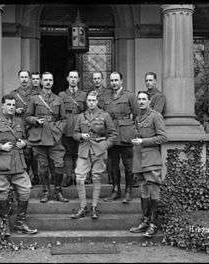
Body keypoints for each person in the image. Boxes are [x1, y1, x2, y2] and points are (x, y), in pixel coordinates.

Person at [0, 94, 38, 236]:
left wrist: (24, 144)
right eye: (8, 105)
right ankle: (4, 224)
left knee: (25, 191)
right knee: (3, 193)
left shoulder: (19, 122)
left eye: (13, 105)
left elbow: (25, 139)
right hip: (1, 164)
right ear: (2, 106)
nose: (11, 107)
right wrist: (0, 147)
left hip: (18, 164)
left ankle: (20, 223)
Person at [71, 91, 117, 219]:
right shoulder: (81, 116)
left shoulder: (105, 115)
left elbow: (113, 135)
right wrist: (81, 136)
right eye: (89, 100)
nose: (91, 102)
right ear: (86, 102)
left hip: (99, 150)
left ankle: (94, 207)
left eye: (93, 100)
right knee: (79, 178)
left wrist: (105, 145)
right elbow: (74, 134)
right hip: (84, 149)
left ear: (97, 101)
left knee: (96, 177)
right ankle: (83, 207)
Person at [26, 72, 69, 203]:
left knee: (59, 164)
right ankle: (45, 191)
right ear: (41, 82)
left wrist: (58, 129)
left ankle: (58, 191)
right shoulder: (34, 99)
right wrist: (35, 120)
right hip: (39, 136)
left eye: (50, 80)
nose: (48, 82)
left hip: (54, 137)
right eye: (45, 80)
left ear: (53, 82)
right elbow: (27, 116)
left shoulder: (58, 99)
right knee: (42, 166)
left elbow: (64, 119)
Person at [130, 91, 167, 237]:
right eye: (139, 99)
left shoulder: (155, 116)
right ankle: (145, 221)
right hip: (139, 159)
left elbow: (163, 137)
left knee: (153, 191)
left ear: (149, 101)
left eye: (144, 99)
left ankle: (153, 224)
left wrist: (143, 141)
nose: (141, 101)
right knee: (143, 190)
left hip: (151, 159)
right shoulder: (138, 117)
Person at [103, 72, 139, 203]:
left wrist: (132, 130)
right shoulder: (106, 96)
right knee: (113, 165)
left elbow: (137, 115)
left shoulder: (129, 95)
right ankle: (115, 190)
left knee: (128, 165)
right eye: (112, 80)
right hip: (111, 133)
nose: (114, 83)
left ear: (121, 81)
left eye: (116, 80)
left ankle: (128, 191)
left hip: (125, 134)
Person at [10, 70, 40, 185]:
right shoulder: (13, 94)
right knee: (24, 152)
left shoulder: (36, 94)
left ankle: (36, 175)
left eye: (26, 77)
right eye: (22, 77)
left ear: (29, 79)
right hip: (20, 125)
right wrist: (15, 111)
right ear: (19, 78)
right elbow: (7, 109)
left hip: (33, 126)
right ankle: (25, 177)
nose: (24, 79)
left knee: (35, 152)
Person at [59, 70, 87, 187]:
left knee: (79, 153)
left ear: (79, 79)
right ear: (67, 79)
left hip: (79, 128)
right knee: (67, 154)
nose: (73, 79)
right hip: (67, 128)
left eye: (75, 77)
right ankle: (68, 176)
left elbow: (86, 112)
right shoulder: (62, 95)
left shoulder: (84, 95)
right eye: (71, 77)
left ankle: (78, 177)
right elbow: (59, 113)